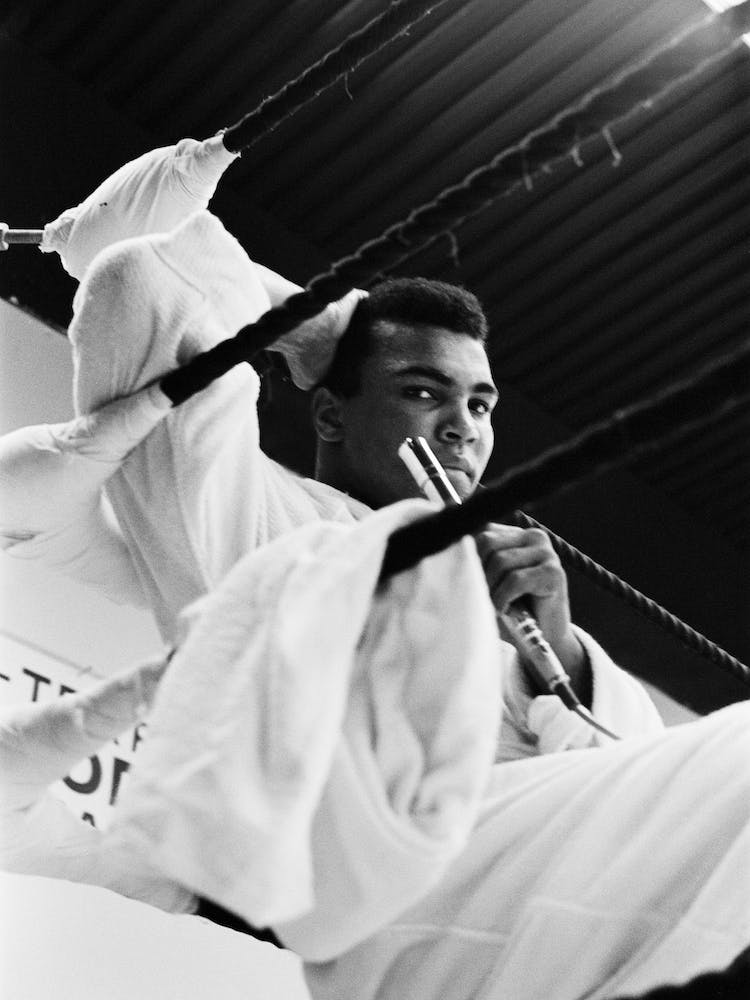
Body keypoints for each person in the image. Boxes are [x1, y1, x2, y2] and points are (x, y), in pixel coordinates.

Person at [1, 202, 748, 1000]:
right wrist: (326, 328)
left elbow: (613, 769)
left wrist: (555, 650)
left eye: (481, 405)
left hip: (559, 890)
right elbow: (147, 279)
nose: (463, 427)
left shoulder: (496, 602)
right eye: (425, 392)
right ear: (329, 410)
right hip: (425, 880)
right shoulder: (274, 526)